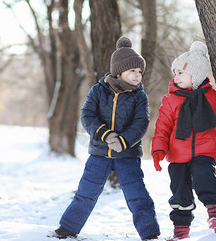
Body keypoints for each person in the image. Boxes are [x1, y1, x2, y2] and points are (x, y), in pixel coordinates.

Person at [52, 37, 160, 240]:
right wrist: (106, 134)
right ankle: (67, 229)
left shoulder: (139, 97)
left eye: (139, 72)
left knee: (137, 195)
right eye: (132, 71)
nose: (138, 76)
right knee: (86, 192)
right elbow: (87, 115)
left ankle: (150, 233)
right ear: (119, 71)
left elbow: (141, 123)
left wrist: (123, 141)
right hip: (99, 153)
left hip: (127, 155)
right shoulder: (99, 90)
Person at [151, 41, 216, 239]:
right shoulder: (170, 100)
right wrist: (158, 150)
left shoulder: (211, 97)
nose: (176, 77)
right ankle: (180, 230)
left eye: (181, 73)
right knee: (179, 191)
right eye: (175, 72)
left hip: (205, 151)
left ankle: (215, 212)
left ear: (194, 76)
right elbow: (162, 127)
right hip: (177, 154)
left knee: (203, 173)